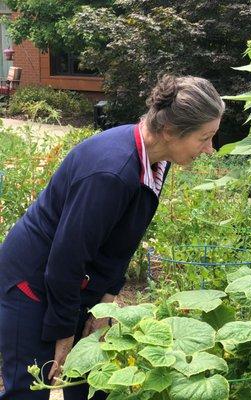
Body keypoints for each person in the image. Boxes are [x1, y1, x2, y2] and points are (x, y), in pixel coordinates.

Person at [0, 75, 225, 400]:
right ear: (170, 131)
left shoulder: (157, 159)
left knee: (94, 382)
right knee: (31, 387)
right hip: (32, 280)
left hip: (74, 277)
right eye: (205, 138)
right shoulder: (111, 173)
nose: (210, 150)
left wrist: (105, 302)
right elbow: (65, 260)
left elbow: (122, 240)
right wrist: (64, 335)